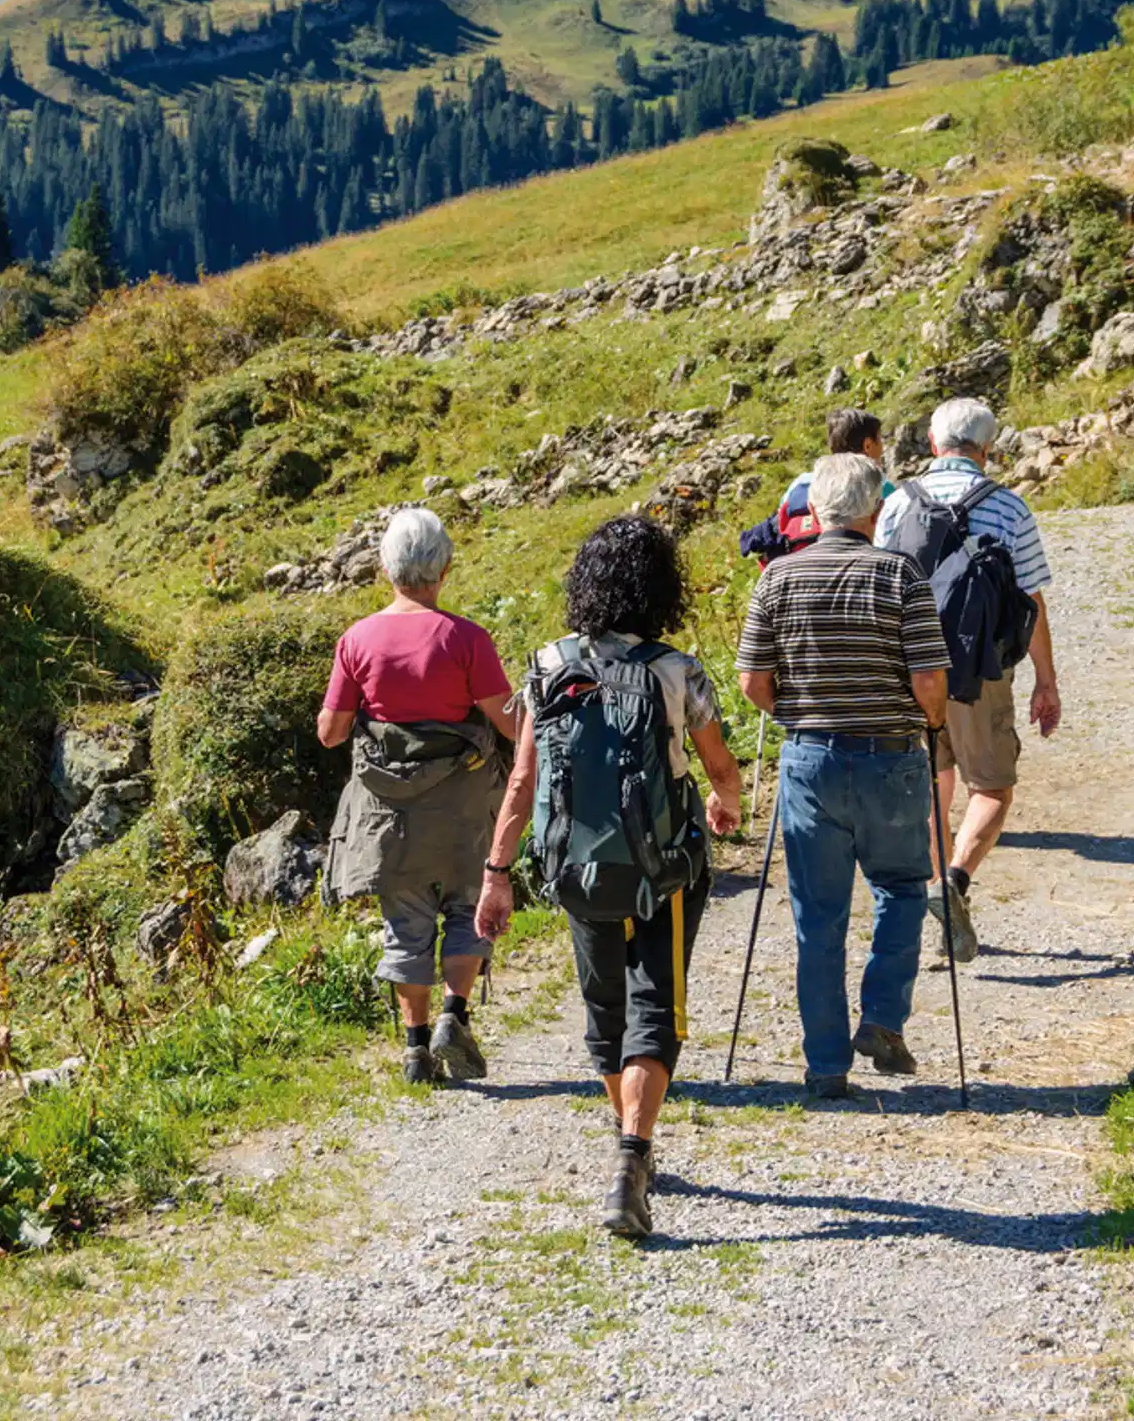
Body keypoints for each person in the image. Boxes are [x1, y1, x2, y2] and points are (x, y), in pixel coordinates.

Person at [476, 516, 742, 1240]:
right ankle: (633, 1158)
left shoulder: (545, 664)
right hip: (666, 868)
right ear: (659, 589)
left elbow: (523, 781)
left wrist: (497, 875)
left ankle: (627, 1145)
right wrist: (725, 803)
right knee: (657, 1010)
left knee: (605, 1013)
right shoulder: (676, 670)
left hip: (576, 869)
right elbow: (719, 767)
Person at [736, 452, 949, 1097]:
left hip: (809, 759)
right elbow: (929, 680)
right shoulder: (901, 576)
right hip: (890, 755)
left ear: (815, 512)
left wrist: (802, 713)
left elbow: (751, 682)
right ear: (874, 510)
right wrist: (927, 721)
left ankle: (826, 1066)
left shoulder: (777, 579)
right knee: (905, 888)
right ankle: (883, 1017)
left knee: (817, 917)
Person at [318, 507, 515, 1085]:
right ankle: (455, 1014)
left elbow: (331, 733)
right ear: (445, 569)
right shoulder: (466, 639)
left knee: (404, 922)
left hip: (388, 813)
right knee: (465, 905)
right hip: (462, 805)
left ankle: (413, 1051)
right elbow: (507, 723)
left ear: (385, 568)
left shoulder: (356, 640)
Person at [875, 396, 1061, 965]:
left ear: (933, 445)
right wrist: (1046, 681)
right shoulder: (1008, 507)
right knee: (993, 788)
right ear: (987, 449)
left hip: (913, 670)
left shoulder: (896, 505)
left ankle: (937, 895)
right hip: (982, 671)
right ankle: (954, 882)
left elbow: (881, 588)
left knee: (934, 786)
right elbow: (1031, 600)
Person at [740, 407, 891, 565]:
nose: (882, 448)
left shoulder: (802, 483)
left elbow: (782, 524)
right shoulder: (879, 486)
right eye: (879, 440)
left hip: (798, 567)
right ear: (867, 445)